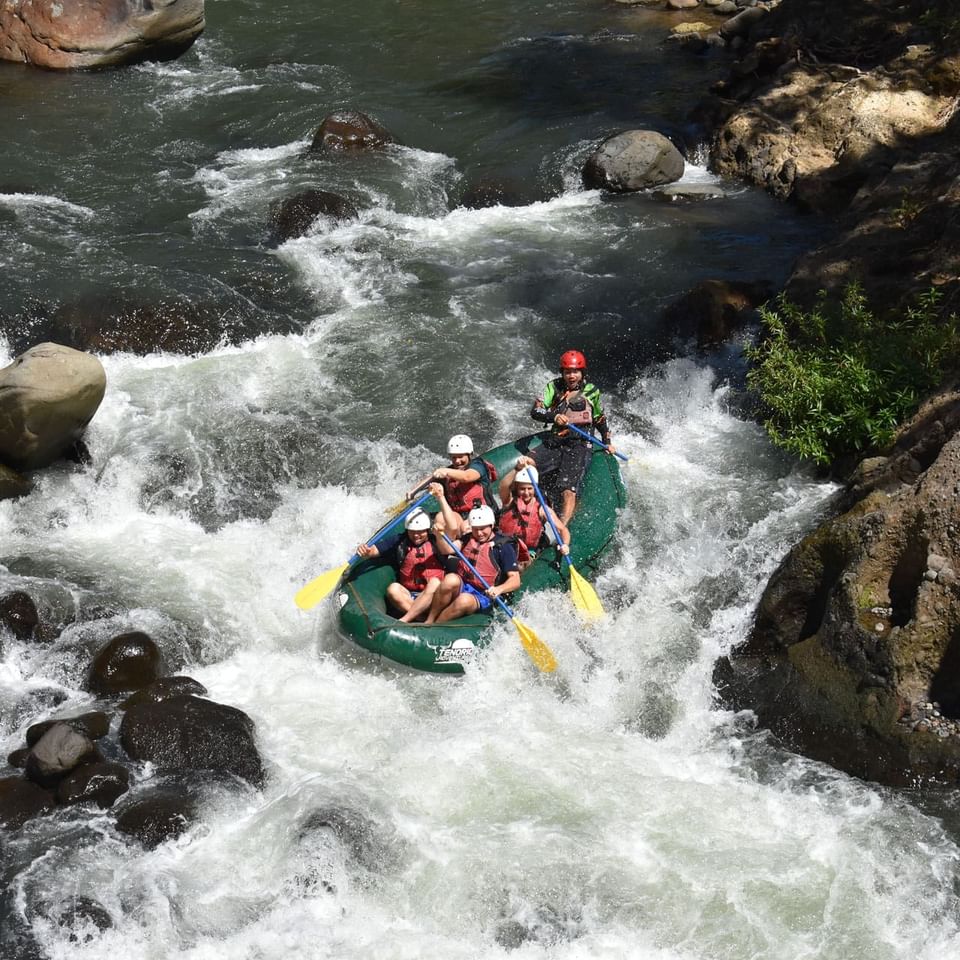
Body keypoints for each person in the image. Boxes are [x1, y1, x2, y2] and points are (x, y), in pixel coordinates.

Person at [521, 349, 617, 525]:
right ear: (562, 373)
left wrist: (607, 442)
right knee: (525, 465)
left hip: (580, 444)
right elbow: (536, 410)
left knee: (568, 490)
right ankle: (516, 510)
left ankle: (562, 528)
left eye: (575, 372)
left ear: (582, 373)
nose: (571, 376)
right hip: (556, 440)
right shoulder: (553, 387)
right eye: (567, 372)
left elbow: (599, 418)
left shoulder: (591, 391)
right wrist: (553, 416)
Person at [425, 504, 521, 624]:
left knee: (463, 600)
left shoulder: (503, 547)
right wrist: (439, 537)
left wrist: (498, 589)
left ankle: (436, 626)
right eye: (475, 529)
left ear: (491, 526)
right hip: (465, 584)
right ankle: (429, 620)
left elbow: (515, 580)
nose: (479, 533)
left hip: (485, 594)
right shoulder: (468, 538)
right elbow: (448, 550)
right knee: (450, 579)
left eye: (483, 529)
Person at [356, 501, 446, 623]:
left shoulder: (436, 540)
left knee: (435, 582)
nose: (416, 535)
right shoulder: (400, 540)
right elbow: (374, 551)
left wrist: (440, 535)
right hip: (411, 596)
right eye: (412, 531)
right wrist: (366, 551)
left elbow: (450, 545)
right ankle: (421, 618)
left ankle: (407, 619)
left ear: (427, 530)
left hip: (434, 596)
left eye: (420, 531)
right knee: (393, 589)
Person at [405, 434, 498, 532]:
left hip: (482, 513)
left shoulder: (478, 465)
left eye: (461, 457)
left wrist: (446, 471)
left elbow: (467, 477)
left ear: (469, 454)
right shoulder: (449, 472)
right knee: (438, 519)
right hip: (459, 515)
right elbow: (431, 478)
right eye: (454, 458)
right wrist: (413, 492)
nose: (457, 461)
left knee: (465, 527)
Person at [497, 464, 570, 569]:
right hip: (504, 547)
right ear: (517, 488)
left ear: (535, 488)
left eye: (529, 488)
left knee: (520, 566)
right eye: (522, 489)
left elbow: (562, 529)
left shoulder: (542, 509)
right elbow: (503, 486)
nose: (526, 493)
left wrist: (565, 544)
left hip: (527, 552)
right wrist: (516, 469)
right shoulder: (509, 502)